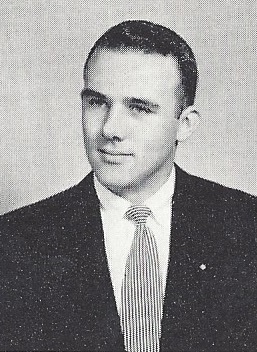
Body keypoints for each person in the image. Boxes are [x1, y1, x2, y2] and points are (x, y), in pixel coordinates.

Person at [0, 20, 256, 351]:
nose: (109, 128)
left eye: (138, 108)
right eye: (97, 102)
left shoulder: (246, 227)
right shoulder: (14, 243)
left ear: (185, 125)